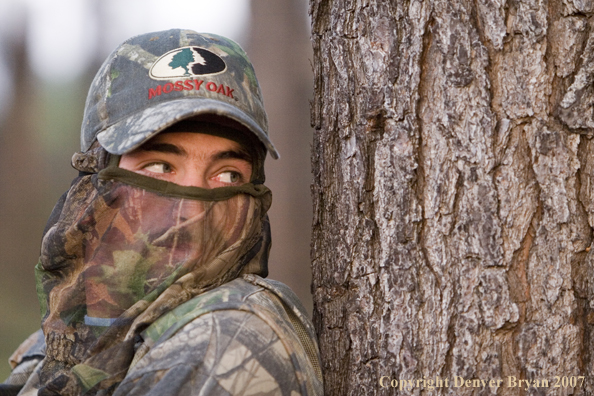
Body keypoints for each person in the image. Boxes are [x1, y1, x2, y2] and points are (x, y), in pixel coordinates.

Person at [1, 29, 322, 396]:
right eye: (159, 167)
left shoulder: (226, 340)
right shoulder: (68, 337)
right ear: (95, 177)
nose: (192, 209)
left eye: (227, 175)